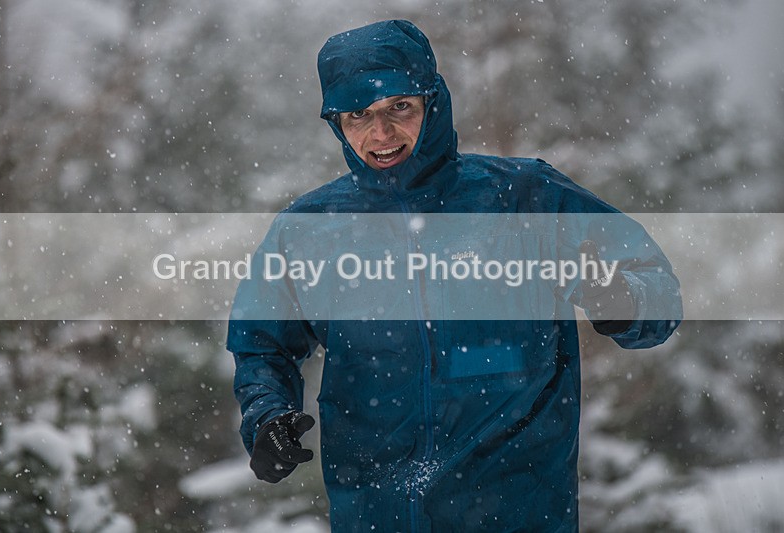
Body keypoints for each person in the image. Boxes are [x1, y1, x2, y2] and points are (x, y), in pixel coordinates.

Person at [227, 19, 682, 532]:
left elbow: (656, 286)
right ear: (337, 123)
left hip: (518, 514)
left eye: (399, 106)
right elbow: (261, 342)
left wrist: (620, 298)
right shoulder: (311, 229)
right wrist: (267, 415)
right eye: (358, 115)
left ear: (432, 101)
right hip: (377, 516)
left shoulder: (523, 198)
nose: (381, 133)